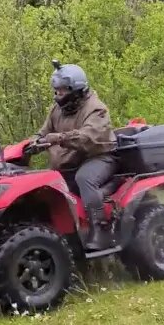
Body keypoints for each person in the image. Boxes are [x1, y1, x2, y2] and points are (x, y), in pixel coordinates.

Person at [31, 63, 118, 251]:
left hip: (99, 157)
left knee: (84, 178)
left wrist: (60, 138)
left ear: (75, 89)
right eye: (56, 90)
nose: (58, 95)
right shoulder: (57, 109)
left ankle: (100, 230)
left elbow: (89, 137)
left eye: (62, 91)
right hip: (70, 161)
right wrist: (34, 142)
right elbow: (44, 131)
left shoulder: (96, 109)